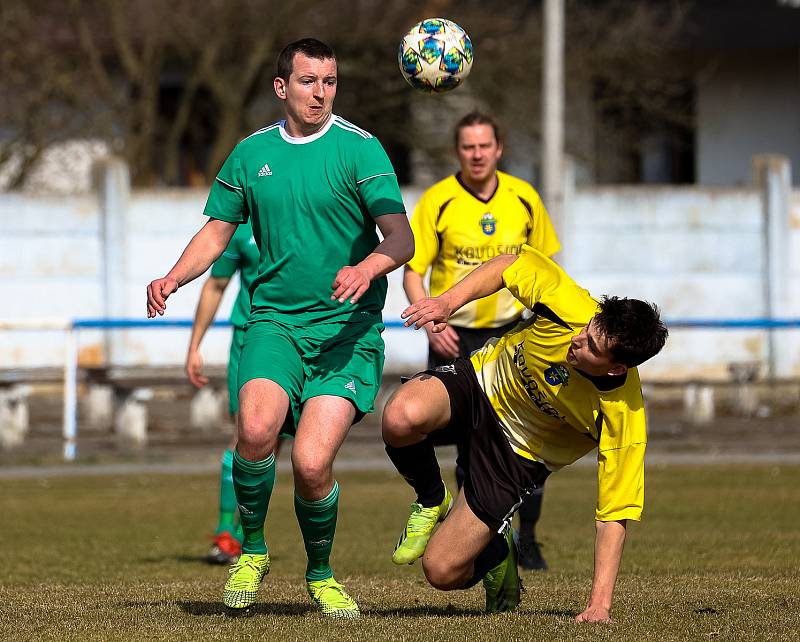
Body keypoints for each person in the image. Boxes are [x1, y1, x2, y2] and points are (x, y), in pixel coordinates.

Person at [147, 38, 413, 618]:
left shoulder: (360, 151)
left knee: (312, 464)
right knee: (256, 428)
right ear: (281, 87)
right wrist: (173, 278)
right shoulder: (249, 155)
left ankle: (320, 573)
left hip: (347, 333)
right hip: (273, 324)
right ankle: (254, 550)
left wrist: (367, 266)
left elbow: (400, 237)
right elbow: (217, 234)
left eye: (330, 81)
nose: (320, 92)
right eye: (309, 81)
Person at [382, 247, 668, 622]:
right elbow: (510, 265)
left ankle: (499, 555)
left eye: (592, 346)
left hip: (517, 456)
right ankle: (431, 497)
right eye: (587, 328)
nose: (577, 339)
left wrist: (600, 605)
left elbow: (614, 513)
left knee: (441, 570)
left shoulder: (622, 416)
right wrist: (448, 302)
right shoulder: (569, 303)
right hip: (482, 382)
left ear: (616, 369)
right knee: (401, 415)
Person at [399, 111, 560, 571]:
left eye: (484, 146)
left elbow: (545, 272)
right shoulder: (438, 200)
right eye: (468, 147)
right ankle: (474, 537)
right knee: (468, 446)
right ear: (458, 151)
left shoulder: (524, 198)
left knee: (529, 438)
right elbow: (414, 272)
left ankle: (527, 539)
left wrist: (544, 327)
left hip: (513, 338)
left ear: (499, 148)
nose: (476, 154)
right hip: (455, 337)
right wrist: (433, 322)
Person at [185, 220, 258, 565]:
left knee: (277, 443)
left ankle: (247, 535)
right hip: (249, 339)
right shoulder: (241, 229)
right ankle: (227, 533)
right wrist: (195, 345)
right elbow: (215, 283)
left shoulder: (306, 214)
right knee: (247, 434)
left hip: (303, 339)